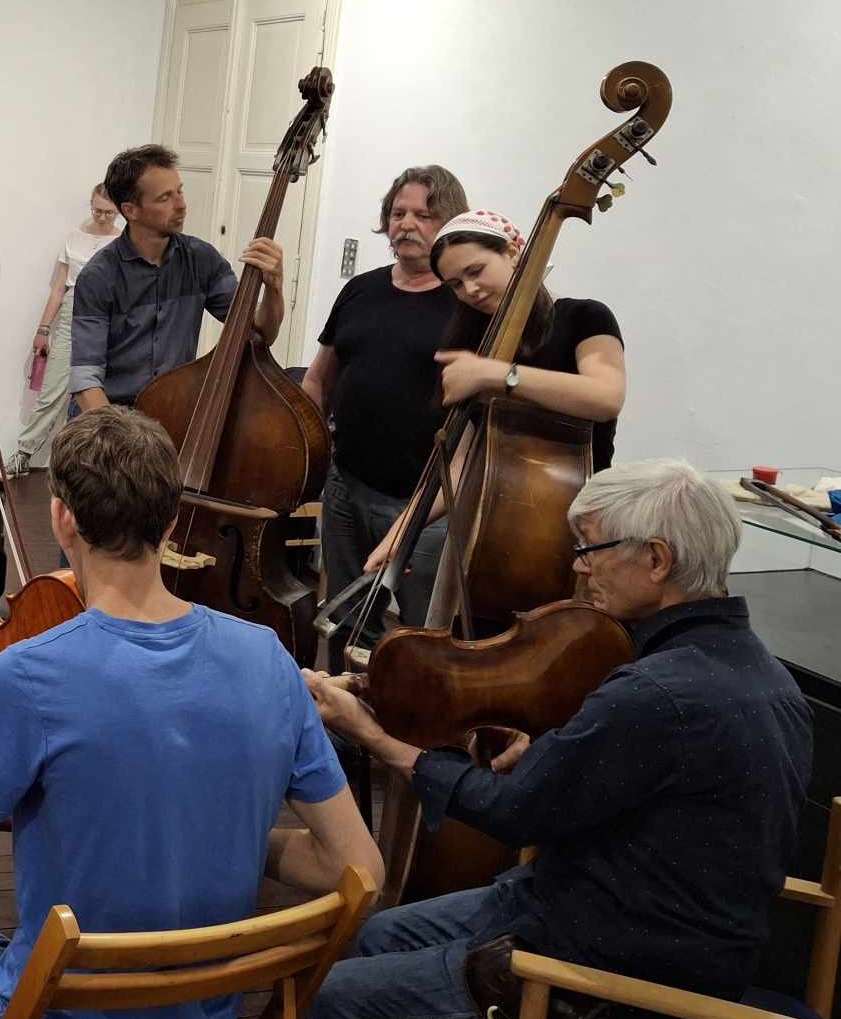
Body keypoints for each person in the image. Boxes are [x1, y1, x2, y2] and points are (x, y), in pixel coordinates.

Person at [0, 406, 382, 1019]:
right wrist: (212, 837)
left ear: (61, 518)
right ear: (171, 521)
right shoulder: (267, 657)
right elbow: (360, 869)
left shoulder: (28, 673)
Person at [304, 458, 813, 1019]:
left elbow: (513, 813)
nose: (578, 566)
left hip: (614, 982)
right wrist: (557, 753)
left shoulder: (656, 694)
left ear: (656, 560)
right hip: (607, 911)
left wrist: (374, 736)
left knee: (331, 1000)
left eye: (590, 548)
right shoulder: (766, 677)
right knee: (382, 933)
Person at [365, 208, 628, 574]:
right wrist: (402, 532)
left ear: (512, 252)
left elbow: (606, 397)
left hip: (579, 529)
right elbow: (462, 460)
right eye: (456, 284)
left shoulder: (584, 318)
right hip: (493, 531)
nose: (470, 290)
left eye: (476, 271)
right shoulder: (478, 345)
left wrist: (499, 375)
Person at [301, 166, 468, 651]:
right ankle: (338, 700)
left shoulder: (467, 304)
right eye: (398, 213)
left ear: (449, 223)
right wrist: (314, 457)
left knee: (419, 640)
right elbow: (318, 380)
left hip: (424, 506)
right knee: (345, 624)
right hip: (347, 487)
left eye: (423, 215)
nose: (406, 224)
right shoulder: (360, 290)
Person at [70, 144, 286, 412]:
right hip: (109, 415)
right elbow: (85, 381)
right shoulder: (98, 276)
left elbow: (260, 333)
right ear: (131, 210)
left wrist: (274, 288)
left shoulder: (202, 259)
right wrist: (121, 434)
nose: (181, 205)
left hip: (171, 412)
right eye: (165, 198)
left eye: (180, 191)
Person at [7, 183, 122, 478]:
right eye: (97, 210)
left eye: (109, 212)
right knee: (52, 389)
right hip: (73, 309)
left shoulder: (123, 242)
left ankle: (90, 464)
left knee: (97, 392)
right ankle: (23, 454)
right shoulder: (74, 238)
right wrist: (43, 328)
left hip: (109, 316)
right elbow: (59, 289)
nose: (102, 217)